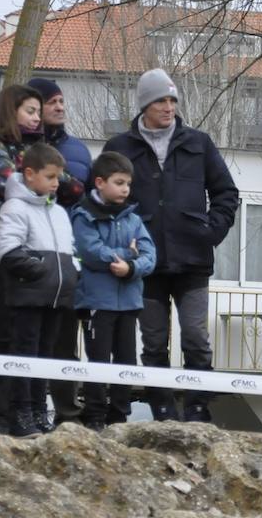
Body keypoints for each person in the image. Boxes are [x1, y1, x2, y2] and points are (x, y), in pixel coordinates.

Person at [103, 68, 240, 423]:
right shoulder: (120, 147)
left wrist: (212, 229)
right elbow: (102, 200)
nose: (168, 107)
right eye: (160, 100)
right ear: (144, 105)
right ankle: (161, 406)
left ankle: (197, 405)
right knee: (153, 340)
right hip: (144, 264)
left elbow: (227, 193)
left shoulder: (199, 142)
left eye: (172, 100)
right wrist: (121, 241)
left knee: (196, 336)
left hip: (193, 259)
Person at [0, 143, 79, 437]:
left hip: (55, 298)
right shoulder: (14, 207)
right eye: (51, 176)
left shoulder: (58, 212)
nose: (57, 183)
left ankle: (40, 411)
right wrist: (40, 272)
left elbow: (69, 251)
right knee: (25, 354)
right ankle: (21, 413)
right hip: (28, 297)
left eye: (59, 177)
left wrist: (71, 274)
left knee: (45, 355)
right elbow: (7, 249)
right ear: (29, 174)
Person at [72, 152, 157, 431]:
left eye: (128, 184)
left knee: (126, 360)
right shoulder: (84, 215)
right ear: (99, 182)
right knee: (99, 358)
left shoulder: (133, 218)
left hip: (129, 303)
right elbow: (91, 252)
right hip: (98, 301)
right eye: (119, 182)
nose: (125, 189)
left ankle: (119, 414)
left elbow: (149, 255)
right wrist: (124, 254)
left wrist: (131, 268)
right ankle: (95, 414)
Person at [0, 83, 46, 430]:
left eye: (38, 111)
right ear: (11, 111)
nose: (37, 118)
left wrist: (47, 178)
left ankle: (25, 411)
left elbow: (69, 185)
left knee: (27, 340)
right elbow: (15, 183)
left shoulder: (37, 149)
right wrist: (41, 179)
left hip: (35, 255)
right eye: (30, 111)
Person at [29, 76, 91, 424]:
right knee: (28, 339)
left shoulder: (79, 152)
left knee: (64, 341)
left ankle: (68, 414)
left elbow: (87, 205)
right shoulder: (17, 147)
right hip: (29, 255)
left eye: (61, 101)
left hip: (67, 260)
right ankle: (25, 410)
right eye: (51, 101)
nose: (59, 106)